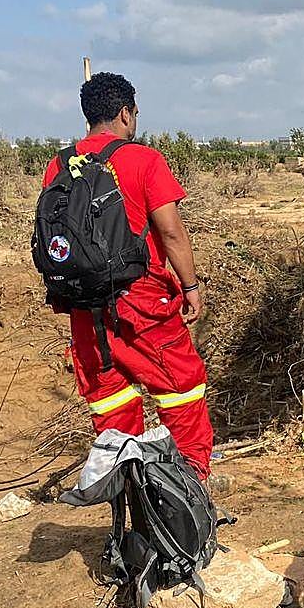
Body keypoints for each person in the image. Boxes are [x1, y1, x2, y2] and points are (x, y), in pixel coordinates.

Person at [43, 72, 215, 479]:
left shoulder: (59, 164)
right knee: (182, 389)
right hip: (143, 302)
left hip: (86, 309)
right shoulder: (144, 160)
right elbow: (171, 232)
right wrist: (191, 286)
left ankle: (129, 494)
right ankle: (190, 490)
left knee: (111, 406)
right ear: (125, 113)